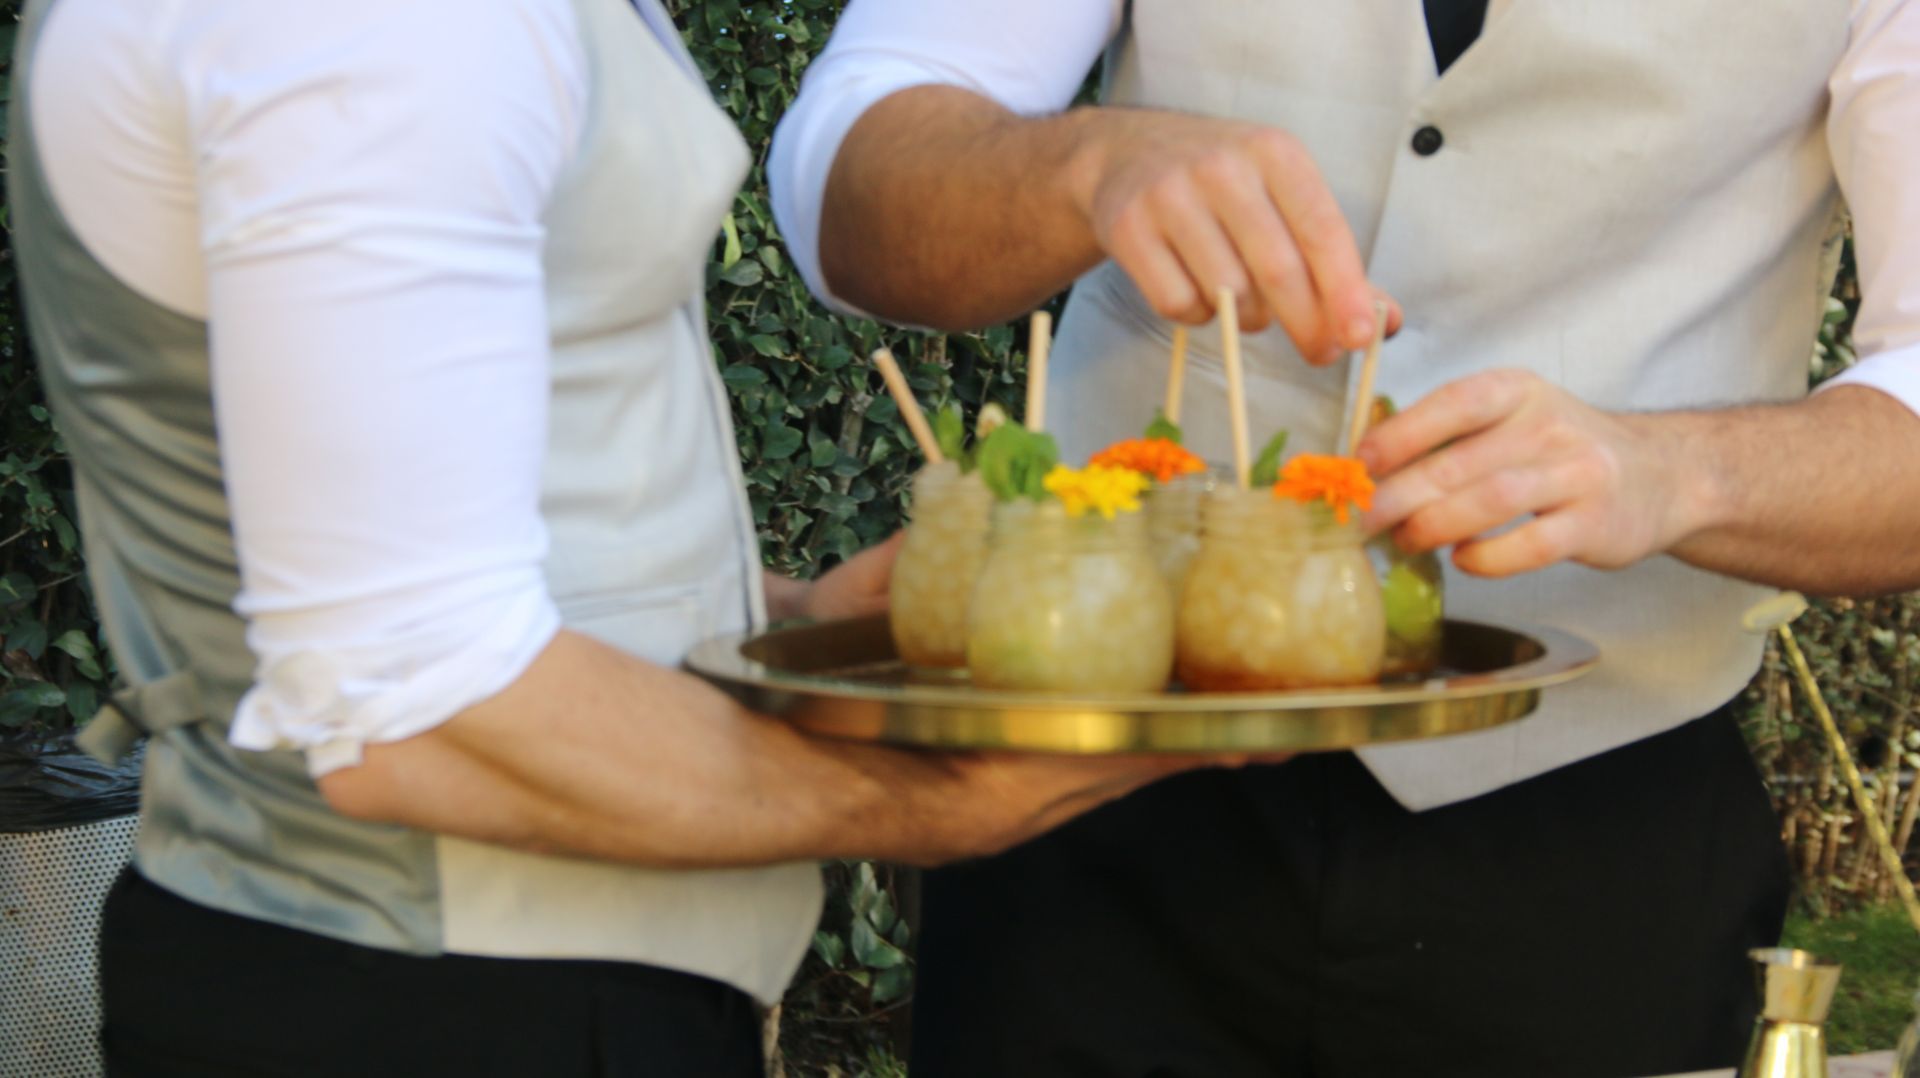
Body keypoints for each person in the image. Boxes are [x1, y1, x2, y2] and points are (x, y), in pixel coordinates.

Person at [5, 0, 1223, 1073]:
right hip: (442, 1008)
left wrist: (794, 622)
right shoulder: (369, 21)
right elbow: (410, 701)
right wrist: (923, 801)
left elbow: (405, 537)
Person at [770, 1, 1920, 1074]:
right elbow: (853, 165)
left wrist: (1683, 469)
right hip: (1092, 799)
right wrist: (1082, 164)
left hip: (1597, 834)